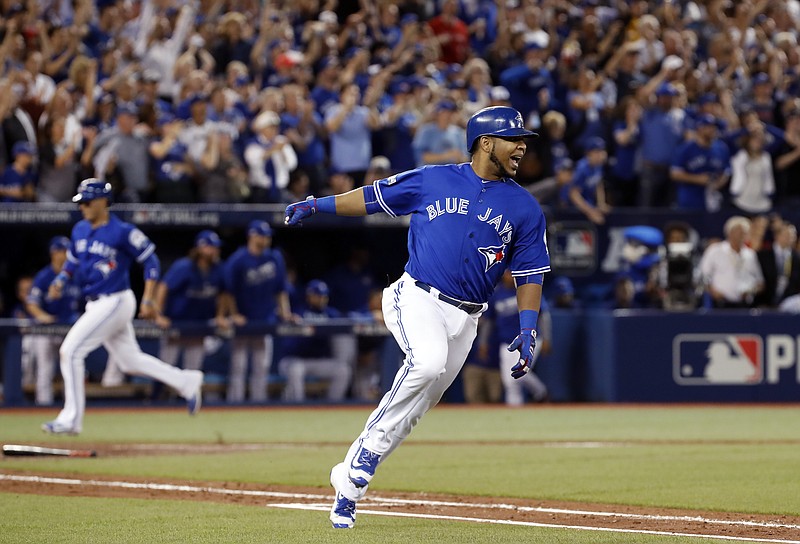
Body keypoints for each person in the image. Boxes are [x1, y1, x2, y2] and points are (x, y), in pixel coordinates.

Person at [285, 105, 549, 529]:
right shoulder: (434, 177)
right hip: (417, 297)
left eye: (523, 140)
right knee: (425, 364)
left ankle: (349, 481)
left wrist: (528, 325)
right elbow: (371, 198)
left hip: (468, 318)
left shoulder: (524, 206)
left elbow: (529, 273)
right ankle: (366, 456)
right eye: (513, 139)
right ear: (485, 143)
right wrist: (319, 204)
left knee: (418, 405)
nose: (521, 147)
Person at [41, 179, 203, 435]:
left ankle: (71, 419)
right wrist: (60, 280)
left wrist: (149, 299)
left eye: (87, 201)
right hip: (95, 303)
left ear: (103, 202)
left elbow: (151, 260)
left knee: (70, 351)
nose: (82, 206)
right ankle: (186, 381)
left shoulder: (122, 231)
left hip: (116, 299)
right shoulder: (80, 230)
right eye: (80, 202)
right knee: (129, 361)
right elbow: (71, 262)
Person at [222, 220, 293, 403]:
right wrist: (233, 314)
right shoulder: (238, 259)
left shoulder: (274, 258)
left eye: (267, 236)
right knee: (238, 366)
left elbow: (280, 289)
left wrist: (285, 312)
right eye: (262, 235)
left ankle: (258, 404)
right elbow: (228, 290)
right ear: (252, 236)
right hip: (243, 321)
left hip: (265, 320)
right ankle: (235, 404)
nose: (266, 239)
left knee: (261, 367)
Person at [154, 230, 227, 375]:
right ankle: (159, 397)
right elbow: (163, 287)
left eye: (216, 247)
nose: (214, 251)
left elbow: (224, 293)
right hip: (175, 325)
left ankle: (189, 398)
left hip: (198, 327)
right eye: (210, 247)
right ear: (200, 248)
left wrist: (220, 315)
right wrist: (158, 315)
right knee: (166, 370)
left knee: (193, 372)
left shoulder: (218, 268)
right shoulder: (184, 266)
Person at [24, 236, 81, 405]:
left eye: (66, 251)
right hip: (46, 329)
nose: (64, 255)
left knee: (70, 370)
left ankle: (71, 405)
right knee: (45, 369)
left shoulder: (76, 275)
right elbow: (31, 303)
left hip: (68, 328)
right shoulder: (44, 276)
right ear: (53, 253)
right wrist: (42, 316)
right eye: (61, 251)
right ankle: (43, 405)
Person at [278, 280, 356, 402]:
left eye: (324, 296)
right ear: (309, 295)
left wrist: (370, 316)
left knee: (343, 370)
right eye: (317, 295)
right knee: (295, 370)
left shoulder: (330, 313)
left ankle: (332, 405)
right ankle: (298, 407)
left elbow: (349, 318)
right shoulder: (299, 312)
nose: (321, 299)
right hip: (295, 359)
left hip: (318, 360)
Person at [699, 216, 764, 309]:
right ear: (730, 232)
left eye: (745, 233)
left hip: (744, 305)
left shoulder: (750, 254)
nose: (743, 235)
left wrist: (751, 291)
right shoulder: (715, 250)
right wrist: (713, 291)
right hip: (719, 304)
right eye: (740, 232)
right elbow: (702, 276)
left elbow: (760, 283)